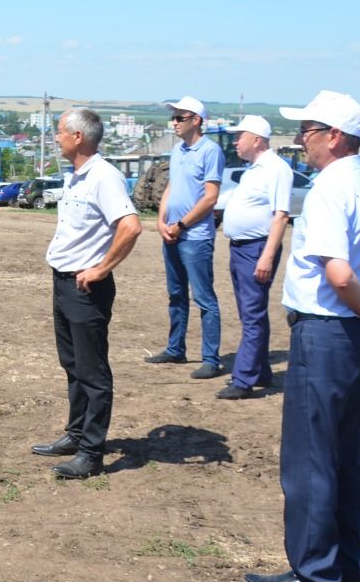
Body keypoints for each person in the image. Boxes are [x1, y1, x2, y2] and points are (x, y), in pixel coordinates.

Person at [244, 90, 360, 582]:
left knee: (311, 457)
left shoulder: (327, 191)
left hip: (327, 331)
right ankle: (351, 563)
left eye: (309, 131)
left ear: (334, 137)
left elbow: (337, 274)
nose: (301, 140)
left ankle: (316, 574)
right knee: (344, 451)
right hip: (358, 336)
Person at [31, 108, 141, 479]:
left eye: (60, 131)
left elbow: (130, 226)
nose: (56, 137)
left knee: (93, 372)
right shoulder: (77, 176)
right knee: (73, 365)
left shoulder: (104, 177)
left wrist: (100, 268)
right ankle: (76, 434)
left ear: (78, 137)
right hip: (63, 281)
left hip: (85, 287)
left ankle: (92, 453)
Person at [146, 95, 225, 378]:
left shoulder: (210, 151)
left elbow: (210, 198)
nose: (174, 122)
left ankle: (211, 358)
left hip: (195, 237)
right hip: (173, 233)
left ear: (197, 120)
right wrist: (161, 220)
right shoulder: (179, 151)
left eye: (180, 117)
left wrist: (181, 224)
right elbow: (171, 188)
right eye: (174, 117)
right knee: (176, 294)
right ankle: (175, 348)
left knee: (204, 297)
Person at [217, 115, 292, 400]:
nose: (236, 141)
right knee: (251, 312)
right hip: (242, 247)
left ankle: (244, 379)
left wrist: (267, 257)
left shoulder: (276, 170)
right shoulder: (254, 169)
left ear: (257, 139)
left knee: (252, 314)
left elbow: (280, 216)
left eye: (241, 136)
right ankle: (260, 371)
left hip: (256, 249)